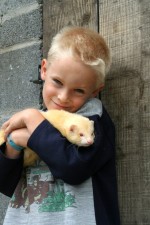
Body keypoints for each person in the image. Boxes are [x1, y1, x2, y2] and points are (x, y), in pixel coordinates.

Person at [0, 26, 120, 225]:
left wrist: (31, 122)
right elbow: (4, 183)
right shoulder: (43, 121)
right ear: (45, 69)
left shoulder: (91, 121)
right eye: (57, 81)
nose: (63, 97)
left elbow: (73, 169)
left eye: (79, 90)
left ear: (95, 91)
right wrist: (14, 141)